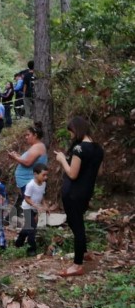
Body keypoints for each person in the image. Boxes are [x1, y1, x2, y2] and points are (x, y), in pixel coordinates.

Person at [54, 117, 104, 277]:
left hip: (73, 193)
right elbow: (100, 172)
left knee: (77, 226)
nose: (70, 136)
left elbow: (72, 174)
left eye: (70, 133)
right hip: (86, 191)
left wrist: (62, 159)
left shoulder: (79, 149)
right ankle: (84, 253)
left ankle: (77, 265)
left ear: (76, 130)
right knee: (77, 222)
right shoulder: (98, 149)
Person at [8, 122, 47, 217]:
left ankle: (30, 226)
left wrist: (15, 158)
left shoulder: (38, 147)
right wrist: (17, 156)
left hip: (28, 180)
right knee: (23, 199)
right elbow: (27, 161)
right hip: (27, 180)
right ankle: (9, 219)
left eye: (28, 135)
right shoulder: (36, 147)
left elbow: (27, 163)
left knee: (29, 202)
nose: (26, 137)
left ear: (35, 135)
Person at [15, 163, 49, 256]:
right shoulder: (31, 185)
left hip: (35, 209)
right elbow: (27, 198)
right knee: (32, 229)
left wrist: (45, 206)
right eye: (43, 175)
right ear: (35, 174)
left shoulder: (44, 184)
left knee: (28, 227)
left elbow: (42, 196)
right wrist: (36, 206)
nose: (45, 177)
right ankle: (31, 249)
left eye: (46, 175)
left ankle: (18, 243)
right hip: (27, 208)